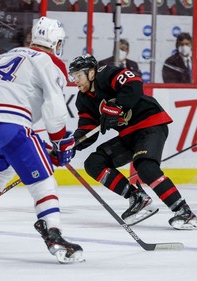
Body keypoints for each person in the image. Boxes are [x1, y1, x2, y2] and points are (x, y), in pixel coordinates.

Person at [0, 17, 84, 263]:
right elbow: (55, 108)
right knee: (43, 179)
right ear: (57, 43)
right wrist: (60, 142)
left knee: (0, 168)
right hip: (6, 123)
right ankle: (53, 234)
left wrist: (50, 144)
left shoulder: (5, 55)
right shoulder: (50, 62)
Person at [68, 54, 196, 230]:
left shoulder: (106, 74)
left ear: (91, 73)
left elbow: (133, 84)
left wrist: (118, 107)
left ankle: (184, 212)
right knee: (94, 163)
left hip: (150, 123)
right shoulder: (83, 100)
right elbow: (87, 130)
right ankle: (137, 198)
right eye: (73, 77)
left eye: (78, 76)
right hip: (129, 134)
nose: (75, 81)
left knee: (145, 167)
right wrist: (71, 144)